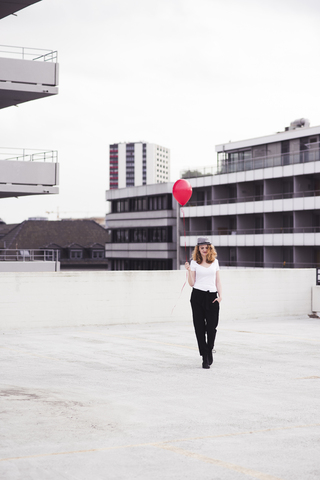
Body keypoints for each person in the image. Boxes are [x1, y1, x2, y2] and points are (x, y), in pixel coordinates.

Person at [185, 236, 222, 369]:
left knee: (212, 327)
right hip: (197, 296)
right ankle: (204, 357)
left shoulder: (215, 262)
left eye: (207, 247)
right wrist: (189, 271)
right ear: (198, 249)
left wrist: (220, 296)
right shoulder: (194, 262)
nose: (205, 250)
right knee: (199, 328)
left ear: (210, 248)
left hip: (212, 296)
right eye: (202, 248)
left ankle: (209, 349)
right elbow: (191, 283)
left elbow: (218, 281)